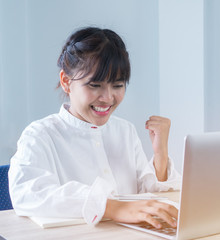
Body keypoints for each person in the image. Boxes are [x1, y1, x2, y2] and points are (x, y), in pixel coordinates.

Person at [8, 27, 181, 229]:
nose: (107, 98)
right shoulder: (40, 134)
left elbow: (146, 194)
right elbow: (27, 193)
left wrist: (160, 154)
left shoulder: (124, 130)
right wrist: (111, 207)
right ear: (66, 81)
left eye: (117, 85)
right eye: (95, 85)